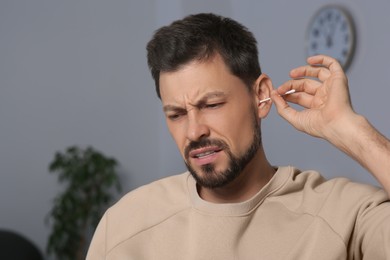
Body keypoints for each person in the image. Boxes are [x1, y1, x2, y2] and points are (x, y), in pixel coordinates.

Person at [86, 13, 390, 259]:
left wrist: (351, 131)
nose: (194, 131)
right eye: (176, 114)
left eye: (212, 105)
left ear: (260, 96)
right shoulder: (125, 224)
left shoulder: (343, 214)